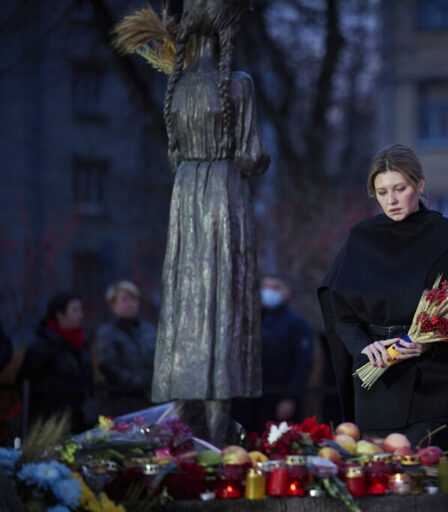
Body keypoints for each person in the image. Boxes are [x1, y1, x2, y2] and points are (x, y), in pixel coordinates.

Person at [319, 144, 448, 460]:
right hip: (378, 384)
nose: (390, 200)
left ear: (420, 185)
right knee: (379, 478)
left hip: (437, 385)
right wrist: (362, 347)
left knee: (428, 477)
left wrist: (432, 341)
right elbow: (339, 309)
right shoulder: (361, 239)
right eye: (381, 192)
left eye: (399, 188)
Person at [149, 0, 270, 446]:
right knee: (222, 301)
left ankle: (183, 432)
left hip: (185, 199)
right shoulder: (238, 85)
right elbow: (251, 155)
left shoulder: (176, 89)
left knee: (186, 303)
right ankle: (219, 436)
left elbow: (173, 154)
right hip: (223, 194)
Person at [234, 275, 314, 432]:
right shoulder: (248, 321)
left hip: (280, 399)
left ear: (287, 292)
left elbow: (302, 364)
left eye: (276, 287)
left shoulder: (297, 324)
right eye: (265, 287)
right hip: (248, 400)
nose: (269, 292)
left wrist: (291, 398)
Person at [16, 293, 92, 433]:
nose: (81, 315)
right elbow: (25, 381)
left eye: (81, 310)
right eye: (75, 310)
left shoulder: (80, 343)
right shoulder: (43, 345)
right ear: (60, 315)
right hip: (49, 421)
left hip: (76, 417)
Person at [93, 281, 156, 418]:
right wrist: (138, 382)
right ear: (112, 305)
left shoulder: (149, 330)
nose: (130, 304)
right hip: (120, 404)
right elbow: (108, 366)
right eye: (124, 300)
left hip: (149, 401)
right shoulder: (106, 333)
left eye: (134, 299)